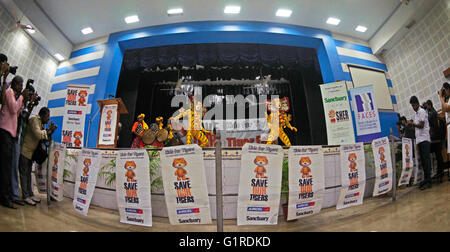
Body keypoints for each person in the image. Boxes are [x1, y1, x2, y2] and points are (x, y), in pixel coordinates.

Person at [0, 75, 29, 209]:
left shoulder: (15, 95)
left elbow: (17, 112)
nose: (22, 87)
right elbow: (12, 109)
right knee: (5, 168)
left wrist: (23, 101)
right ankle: (5, 198)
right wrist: (22, 97)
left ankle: (6, 196)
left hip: (10, 134)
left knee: (7, 167)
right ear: (15, 84)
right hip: (5, 131)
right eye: (20, 84)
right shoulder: (9, 92)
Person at [19, 107, 56, 206]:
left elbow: (44, 139)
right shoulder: (35, 120)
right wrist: (48, 131)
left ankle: (30, 194)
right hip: (25, 151)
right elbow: (38, 135)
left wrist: (50, 132)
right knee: (24, 174)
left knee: (28, 175)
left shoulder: (42, 124)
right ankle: (26, 196)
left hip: (31, 153)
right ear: (42, 115)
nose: (48, 118)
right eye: (47, 116)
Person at [409, 96, 432, 190]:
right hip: (419, 140)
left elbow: (421, 125)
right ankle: (426, 180)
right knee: (423, 161)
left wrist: (413, 124)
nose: (413, 107)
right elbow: (416, 126)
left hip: (424, 139)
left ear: (417, 104)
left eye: (413, 105)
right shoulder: (416, 114)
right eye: (412, 106)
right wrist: (411, 125)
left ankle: (429, 182)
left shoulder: (422, 111)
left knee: (426, 161)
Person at [424, 100, 444, 183]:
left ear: (429, 105)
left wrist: (424, 110)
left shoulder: (432, 113)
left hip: (435, 138)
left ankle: (440, 172)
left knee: (438, 156)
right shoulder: (433, 112)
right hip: (436, 137)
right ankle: (440, 172)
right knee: (438, 156)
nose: (426, 107)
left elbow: (427, 119)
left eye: (426, 106)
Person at [438, 82, 450, 181]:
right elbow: (443, 109)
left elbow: (446, 108)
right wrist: (442, 98)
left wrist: (441, 97)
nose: (444, 92)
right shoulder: (447, 99)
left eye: (445, 90)